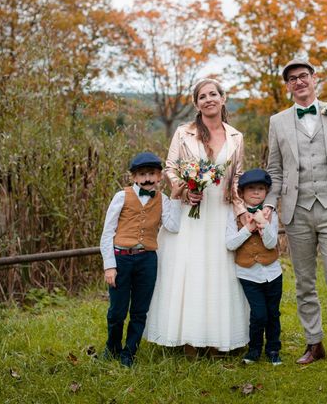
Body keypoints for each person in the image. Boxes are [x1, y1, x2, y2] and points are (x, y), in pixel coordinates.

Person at [265, 58, 327, 367]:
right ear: (288, 85)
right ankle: (314, 343)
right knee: (304, 281)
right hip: (296, 211)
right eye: (292, 79)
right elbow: (275, 171)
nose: (298, 82)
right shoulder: (277, 121)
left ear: (314, 78)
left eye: (303, 76)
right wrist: (270, 204)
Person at [144, 78, 249, 354]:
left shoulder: (236, 136)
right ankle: (188, 340)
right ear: (196, 103)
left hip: (220, 211)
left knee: (218, 271)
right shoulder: (183, 133)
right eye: (203, 96)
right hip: (191, 212)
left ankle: (216, 339)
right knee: (188, 270)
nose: (209, 99)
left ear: (223, 98)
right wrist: (184, 189)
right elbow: (170, 167)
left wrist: (240, 211)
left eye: (213, 94)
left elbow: (237, 176)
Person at [99, 152, 184, 367]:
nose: (147, 179)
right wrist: (109, 266)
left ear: (159, 176)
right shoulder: (122, 196)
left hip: (147, 260)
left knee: (140, 310)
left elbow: (173, 226)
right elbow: (107, 233)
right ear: (134, 177)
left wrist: (174, 197)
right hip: (122, 259)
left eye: (152, 174)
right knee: (117, 310)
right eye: (142, 174)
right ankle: (112, 348)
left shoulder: (163, 199)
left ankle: (130, 352)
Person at [225, 168, 283, 366]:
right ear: (241, 193)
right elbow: (230, 244)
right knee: (258, 314)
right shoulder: (233, 216)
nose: (256, 192)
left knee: (273, 313)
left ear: (266, 192)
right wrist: (248, 229)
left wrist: (263, 224)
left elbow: (270, 243)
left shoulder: (270, 214)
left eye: (260, 188)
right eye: (251, 189)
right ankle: (254, 350)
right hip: (248, 274)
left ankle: (274, 348)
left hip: (273, 273)